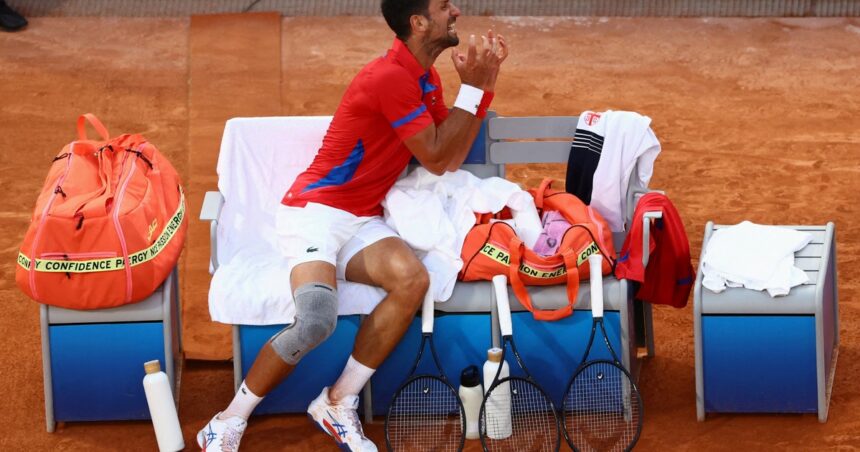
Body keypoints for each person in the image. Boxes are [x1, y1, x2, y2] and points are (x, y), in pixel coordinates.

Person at [197, 0, 507, 450]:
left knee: (411, 280)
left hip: (362, 216)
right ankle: (228, 419)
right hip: (315, 214)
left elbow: (447, 158)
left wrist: (482, 87)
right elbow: (439, 154)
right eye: (444, 6)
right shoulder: (388, 79)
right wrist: (475, 90)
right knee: (315, 320)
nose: (456, 11)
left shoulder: (425, 79)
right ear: (418, 23)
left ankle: (337, 401)